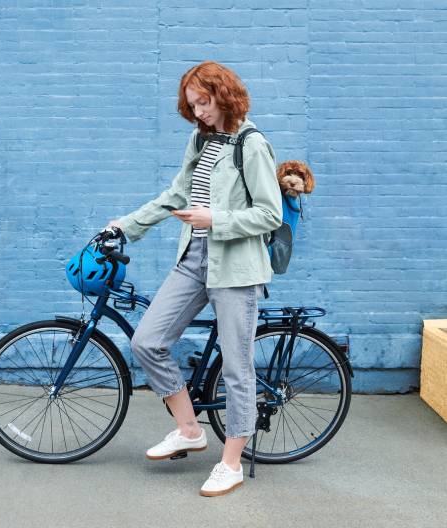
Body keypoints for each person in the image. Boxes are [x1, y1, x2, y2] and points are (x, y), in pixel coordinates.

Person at [104, 61, 282, 496]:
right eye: (192, 104)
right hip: (194, 257)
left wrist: (214, 218)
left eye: (204, 102)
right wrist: (127, 225)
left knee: (237, 367)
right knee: (147, 340)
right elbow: (177, 194)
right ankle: (189, 430)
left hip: (235, 267)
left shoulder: (252, 144)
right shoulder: (200, 138)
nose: (199, 111)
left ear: (224, 93)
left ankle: (231, 463)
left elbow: (270, 212)